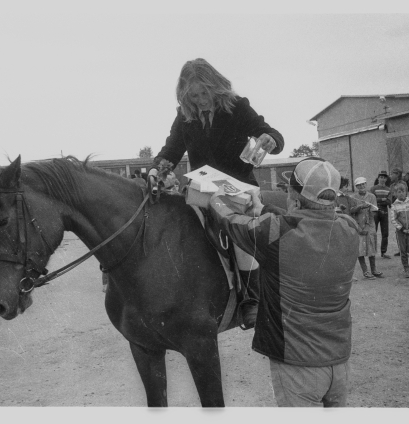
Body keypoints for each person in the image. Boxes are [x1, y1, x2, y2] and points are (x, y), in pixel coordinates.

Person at [209, 157, 359, 407]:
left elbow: (230, 221)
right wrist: (263, 209)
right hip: (339, 362)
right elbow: (301, 221)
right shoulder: (349, 228)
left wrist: (215, 198)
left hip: (297, 365)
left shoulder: (275, 232)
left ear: (295, 197)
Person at [149, 58, 285, 328]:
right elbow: (171, 150)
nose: (199, 100)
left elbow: (268, 133)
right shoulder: (184, 117)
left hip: (239, 188)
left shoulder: (237, 107)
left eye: (203, 93)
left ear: (215, 86)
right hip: (203, 188)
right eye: (193, 95)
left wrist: (271, 139)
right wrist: (157, 169)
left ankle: (251, 298)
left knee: (237, 231)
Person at [352, 177, 383, 279]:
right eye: (359, 185)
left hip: (369, 226)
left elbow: (373, 212)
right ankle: (365, 271)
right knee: (360, 249)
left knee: (371, 247)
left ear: (366, 184)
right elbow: (351, 211)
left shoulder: (371, 196)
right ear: (356, 187)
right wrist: (360, 207)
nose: (362, 187)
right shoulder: (353, 197)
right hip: (358, 226)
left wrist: (367, 226)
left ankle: (373, 270)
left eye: (363, 184)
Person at [390, 181, 409, 278]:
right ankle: (406, 269)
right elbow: (393, 219)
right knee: (403, 251)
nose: (401, 193)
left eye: (403, 191)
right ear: (395, 193)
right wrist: (402, 229)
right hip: (401, 232)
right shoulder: (394, 205)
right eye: (399, 191)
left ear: (406, 192)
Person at [370, 170, 393, 259]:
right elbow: (372, 200)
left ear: (386, 179)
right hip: (375, 211)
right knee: (373, 232)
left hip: (384, 212)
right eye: (381, 177)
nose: (382, 179)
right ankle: (372, 251)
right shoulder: (373, 188)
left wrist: (379, 200)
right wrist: (383, 199)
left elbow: (389, 201)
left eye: (384, 177)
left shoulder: (388, 189)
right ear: (378, 178)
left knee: (385, 233)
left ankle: (383, 252)